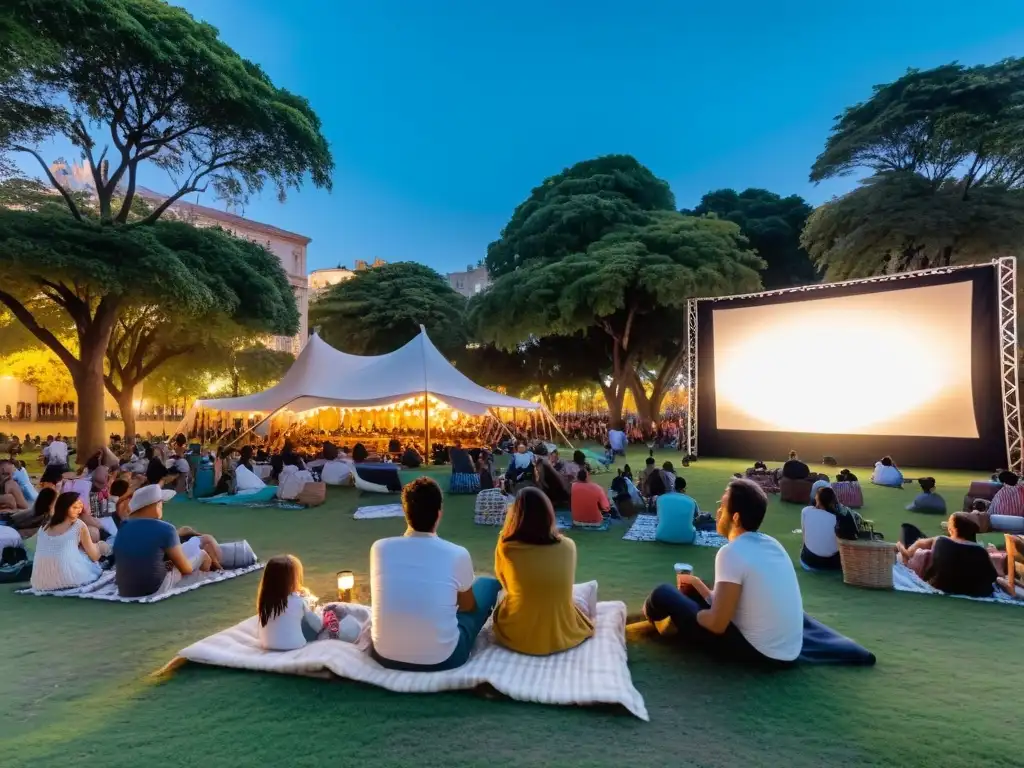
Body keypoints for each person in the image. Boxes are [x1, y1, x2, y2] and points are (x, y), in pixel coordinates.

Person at [643, 478, 804, 664]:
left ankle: (650, 614)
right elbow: (730, 603)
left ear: (735, 517)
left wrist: (690, 613)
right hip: (788, 650)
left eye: (722, 506)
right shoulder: (772, 543)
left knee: (662, 593)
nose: (718, 511)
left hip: (759, 653)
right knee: (693, 591)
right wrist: (697, 586)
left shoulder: (731, 553)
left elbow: (717, 624)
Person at [370, 477, 500, 671]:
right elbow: (467, 606)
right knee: (487, 585)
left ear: (405, 512)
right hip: (444, 659)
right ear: (439, 514)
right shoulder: (456, 553)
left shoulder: (379, 548)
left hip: (384, 655)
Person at [492, 487, 594, 655]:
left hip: (519, 634)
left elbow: (504, 582)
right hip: (564, 631)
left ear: (515, 516)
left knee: (493, 589)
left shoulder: (506, 547)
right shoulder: (568, 546)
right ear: (548, 514)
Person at [112, 484, 211, 598]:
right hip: (154, 588)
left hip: (125, 590)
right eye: (161, 504)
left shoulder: (123, 528)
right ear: (155, 506)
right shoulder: (166, 529)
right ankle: (204, 588)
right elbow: (186, 568)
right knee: (203, 555)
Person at [257, 554, 360, 651]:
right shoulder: (298, 601)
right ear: (292, 580)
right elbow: (318, 625)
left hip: (267, 645)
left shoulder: (264, 603)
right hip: (294, 645)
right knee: (345, 623)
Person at [899, 513, 999, 597]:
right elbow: (994, 577)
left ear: (951, 530)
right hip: (976, 592)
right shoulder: (981, 551)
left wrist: (902, 550)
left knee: (909, 533)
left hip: (940, 586)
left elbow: (912, 550)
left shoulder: (940, 540)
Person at [29, 492, 104, 591]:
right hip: (69, 578)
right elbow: (94, 556)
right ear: (64, 508)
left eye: (80, 506)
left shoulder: (44, 526)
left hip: (40, 581)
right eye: (75, 507)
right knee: (93, 559)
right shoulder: (79, 525)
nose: (79, 510)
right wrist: (101, 547)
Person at [799, 487, 854, 571]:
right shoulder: (838, 518)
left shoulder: (805, 511)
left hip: (809, 562)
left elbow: (804, 537)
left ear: (817, 499)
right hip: (833, 565)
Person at [655, 476, 698, 545]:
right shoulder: (691, 501)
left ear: (673, 486)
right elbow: (696, 517)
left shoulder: (661, 499)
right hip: (687, 538)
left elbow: (659, 517)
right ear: (684, 488)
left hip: (662, 536)